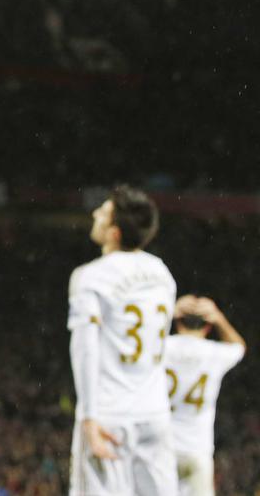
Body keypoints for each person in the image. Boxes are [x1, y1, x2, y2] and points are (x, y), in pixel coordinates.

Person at [67, 186, 177, 496]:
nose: (94, 214)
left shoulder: (90, 276)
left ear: (113, 232)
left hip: (109, 414)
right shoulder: (162, 273)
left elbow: (85, 347)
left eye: (102, 211)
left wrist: (88, 416)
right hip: (155, 413)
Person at [165, 295, 246, 496]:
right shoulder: (214, 353)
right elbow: (239, 347)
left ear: (177, 322)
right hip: (197, 448)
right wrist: (218, 316)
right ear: (208, 327)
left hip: (162, 445)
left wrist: (168, 313)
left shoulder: (162, 347)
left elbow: (143, 342)